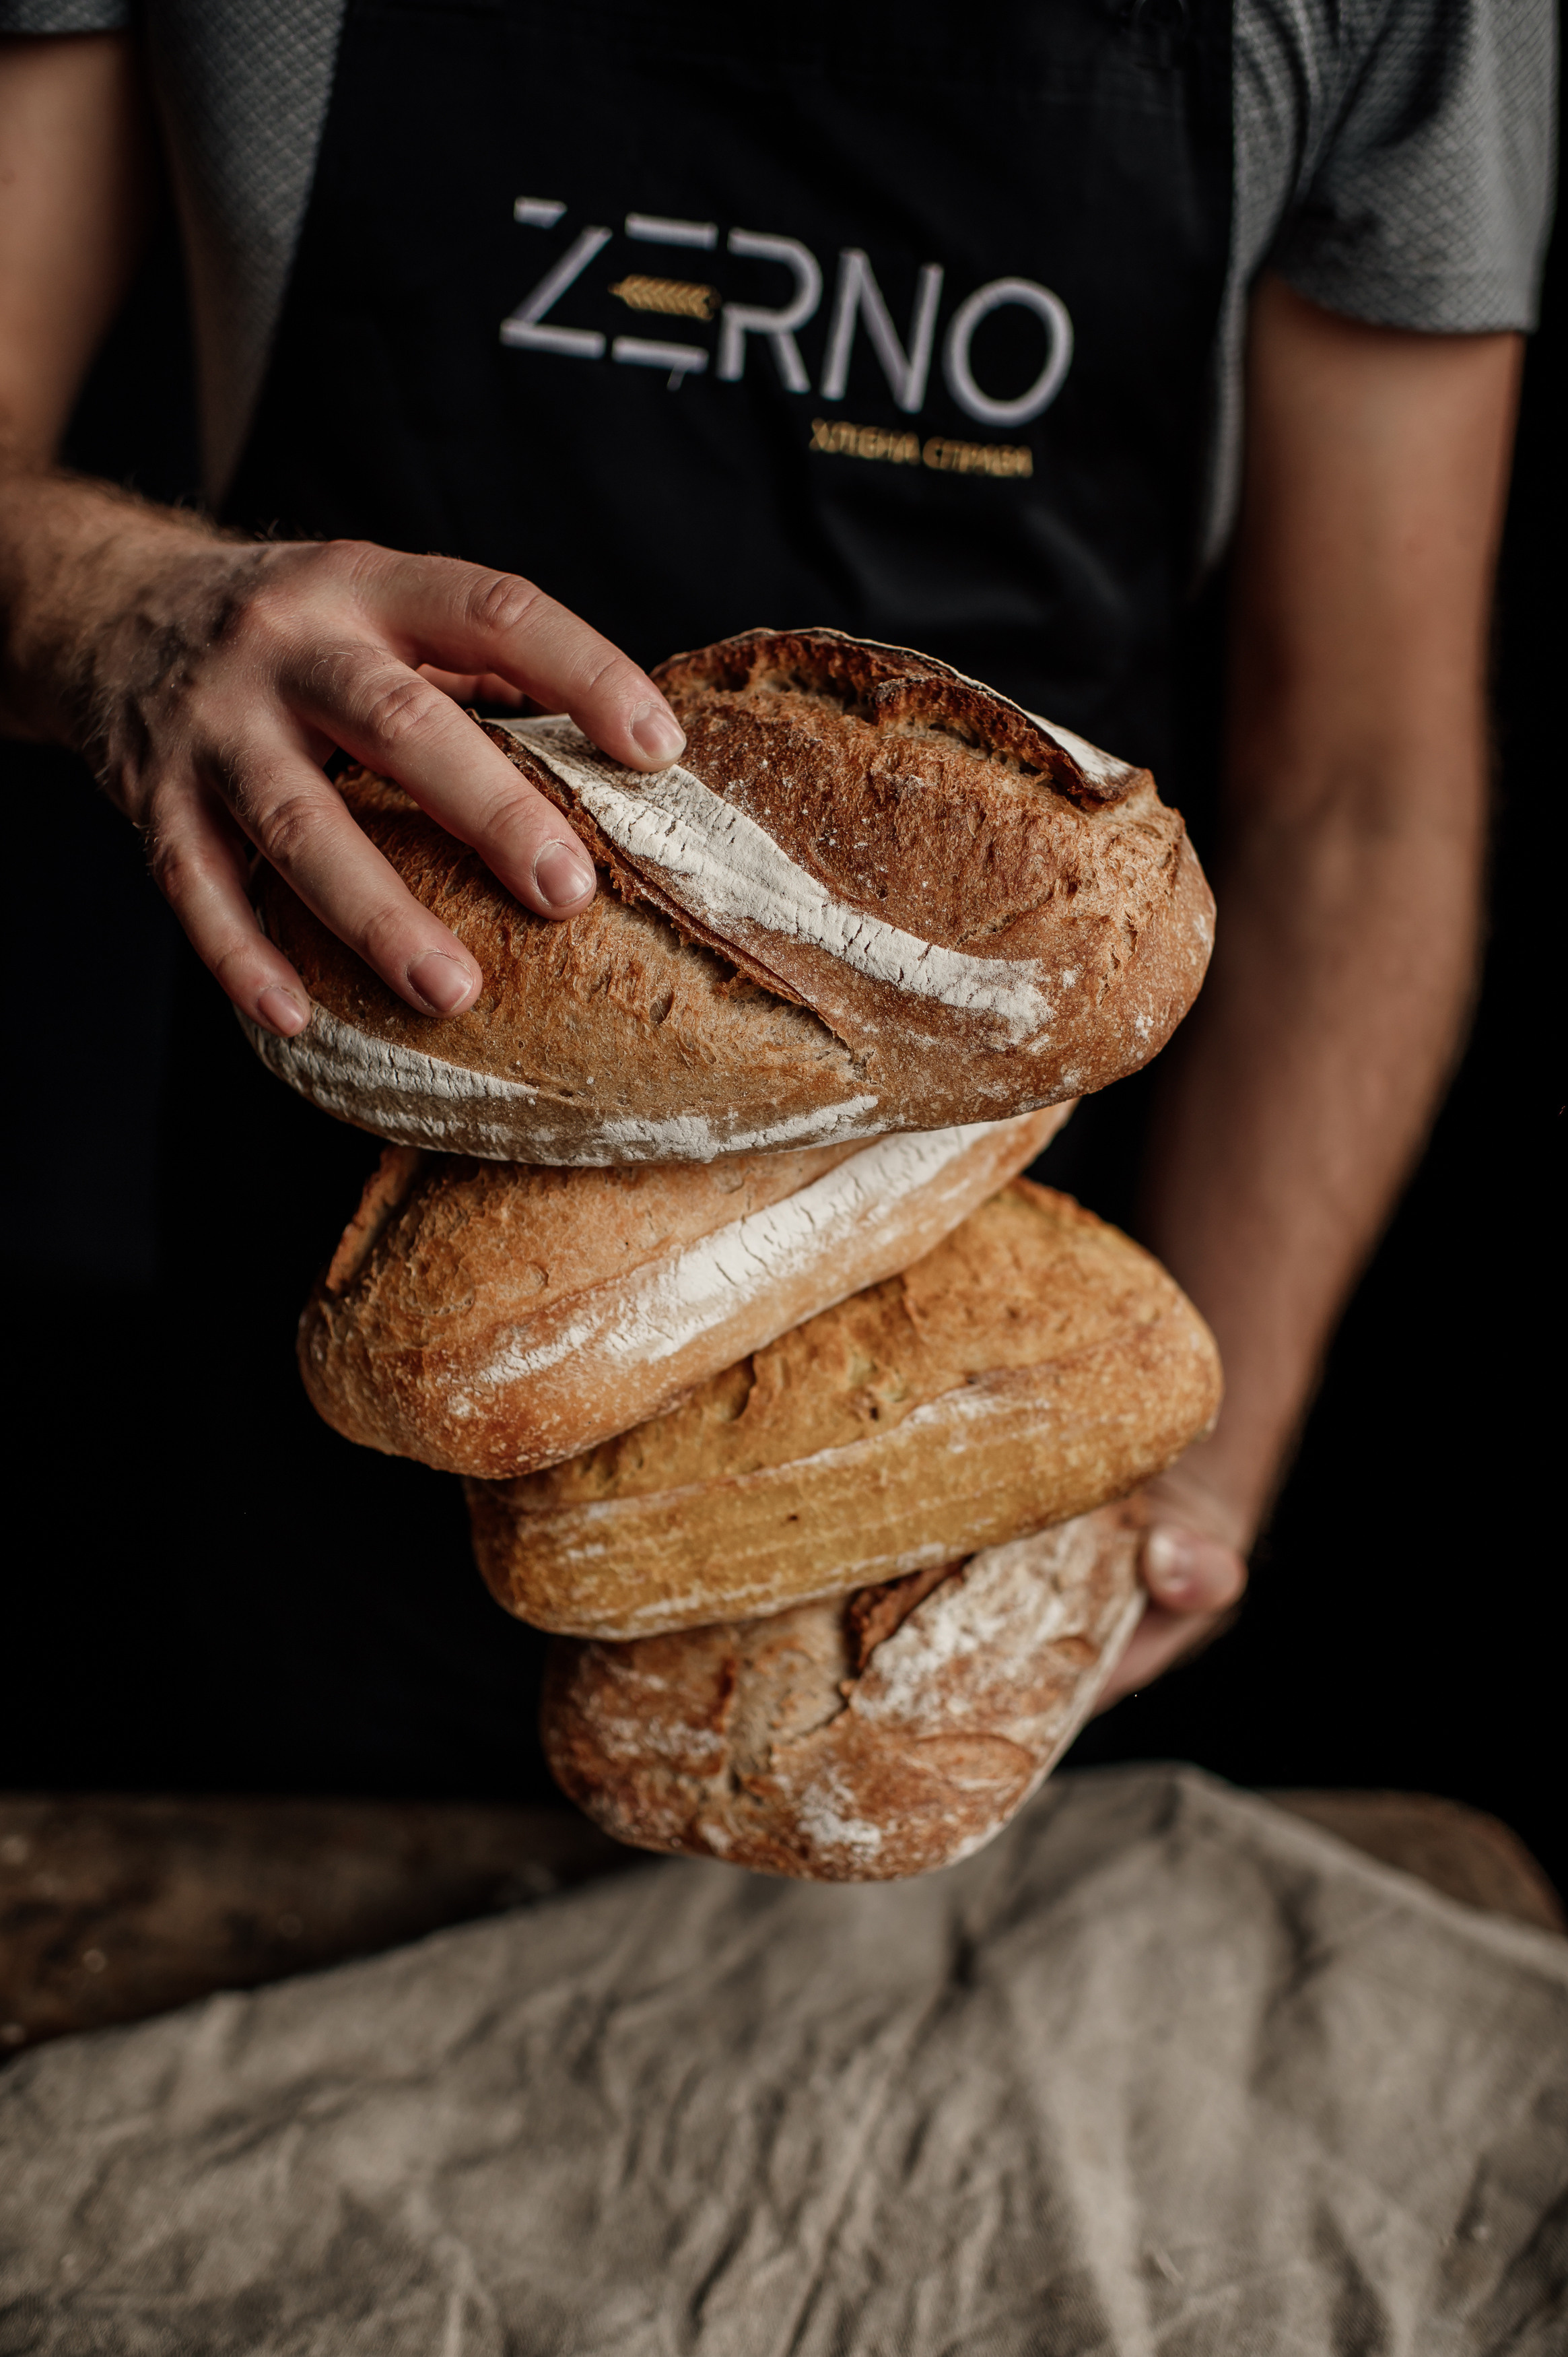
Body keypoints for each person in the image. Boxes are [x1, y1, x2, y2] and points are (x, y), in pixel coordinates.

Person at [0, 3, 1550, 1782]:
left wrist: (1196, 1459)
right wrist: (107, 602)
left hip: (970, 1386)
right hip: (335, 1284)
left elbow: (1355, 790)